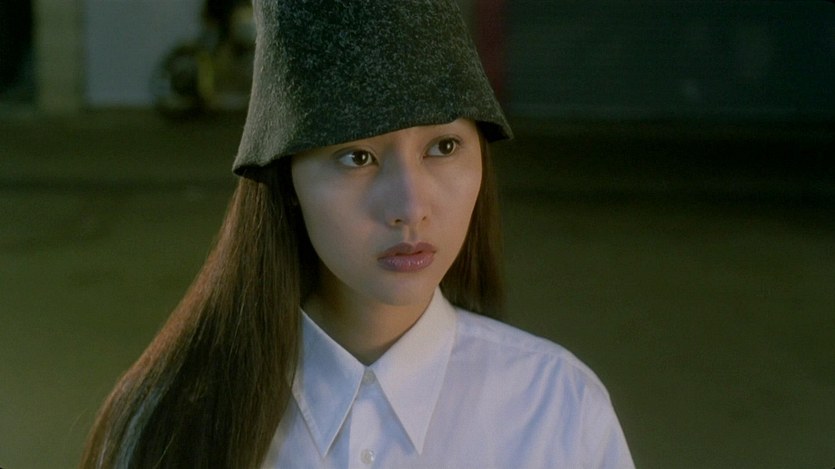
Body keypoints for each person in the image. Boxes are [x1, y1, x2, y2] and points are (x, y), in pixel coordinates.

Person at [81, 1, 634, 468]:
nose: (410, 208)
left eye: (443, 147)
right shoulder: (170, 423)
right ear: (287, 180)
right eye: (357, 157)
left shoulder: (557, 411)